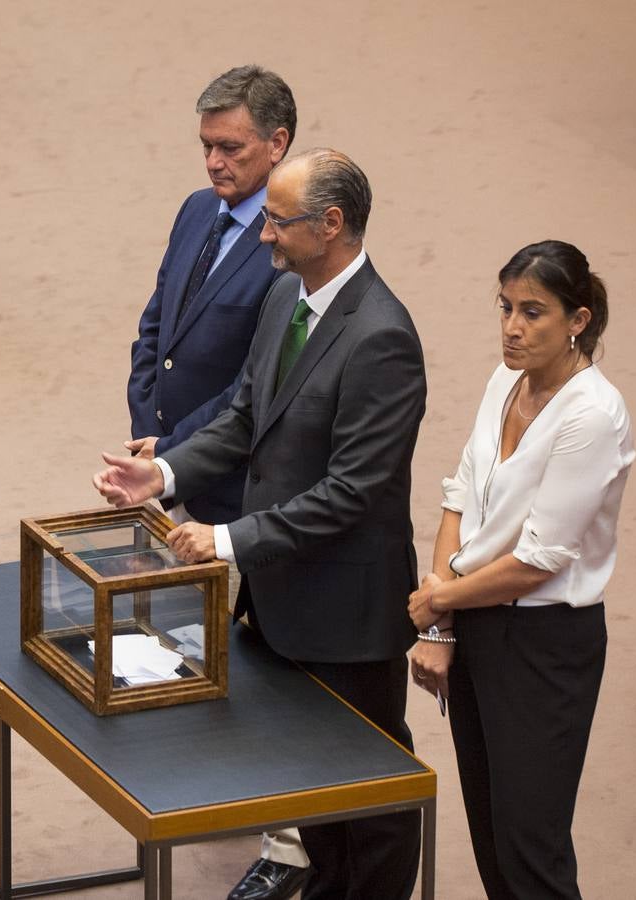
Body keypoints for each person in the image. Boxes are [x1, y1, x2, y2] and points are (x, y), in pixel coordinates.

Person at [96, 149, 425, 900]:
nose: (264, 237)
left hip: (348, 613)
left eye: (278, 222)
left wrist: (227, 539)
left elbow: (352, 491)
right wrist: (167, 471)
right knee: (308, 783)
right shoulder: (287, 298)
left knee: (368, 796)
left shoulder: (381, 338)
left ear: (331, 225)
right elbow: (246, 416)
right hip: (282, 600)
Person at [407, 240, 635, 900]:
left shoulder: (592, 414)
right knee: (491, 838)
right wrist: (441, 620)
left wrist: (432, 603)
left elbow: (537, 561)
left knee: (531, 848)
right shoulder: (502, 380)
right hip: (477, 626)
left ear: (578, 320)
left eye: (533, 312)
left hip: (543, 649)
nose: (512, 326)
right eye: (505, 307)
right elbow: (460, 495)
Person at [127, 64, 294, 526]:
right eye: (207, 145)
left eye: (230, 148)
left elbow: (253, 382)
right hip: (161, 473)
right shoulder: (197, 208)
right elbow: (154, 331)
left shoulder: (290, 245)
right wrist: (149, 433)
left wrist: (172, 449)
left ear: (276, 144)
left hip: (230, 495)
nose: (213, 162)